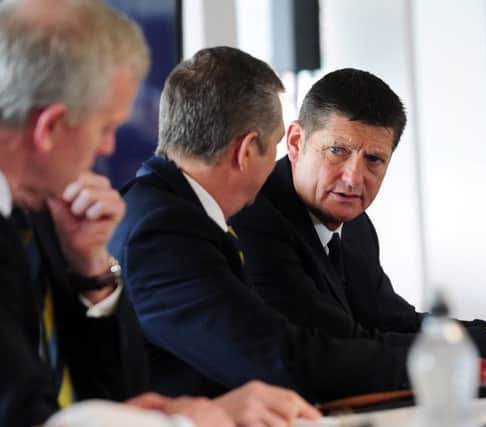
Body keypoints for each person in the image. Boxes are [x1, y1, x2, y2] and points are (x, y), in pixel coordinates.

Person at [0, 1, 318, 426]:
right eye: (105, 128)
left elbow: (120, 398)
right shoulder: (147, 219)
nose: (108, 148)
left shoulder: (49, 214)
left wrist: (92, 273)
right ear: (51, 128)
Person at [109, 47, 414, 403]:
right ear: (248, 150)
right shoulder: (163, 231)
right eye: (273, 149)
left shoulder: (169, 212)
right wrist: (436, 364)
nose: (277, 166)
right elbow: (282, 360)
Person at [229, 68, 486, 363]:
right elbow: (339, 344)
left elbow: (393, 320)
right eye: (337, 151)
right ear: (295, 142)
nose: (353, 178)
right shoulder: (254, 218)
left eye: (374, 159)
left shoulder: (356, 225)